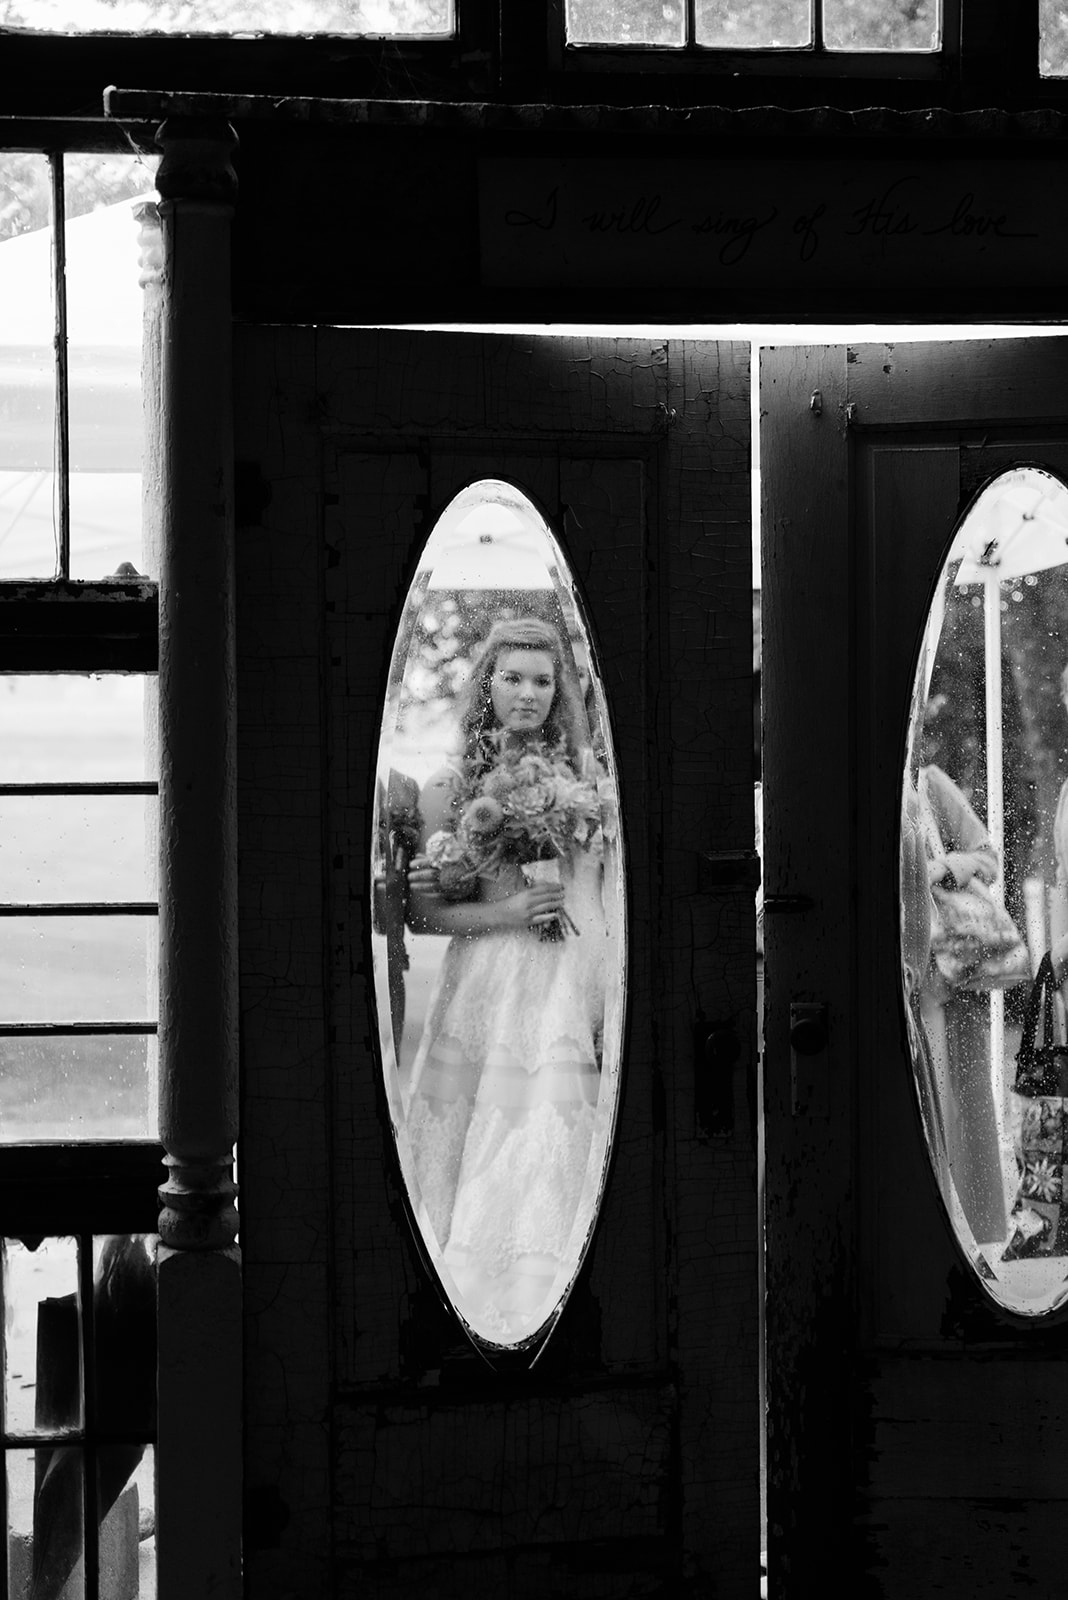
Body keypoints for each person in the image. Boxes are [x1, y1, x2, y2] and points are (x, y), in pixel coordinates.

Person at [403, 615, 612, 1341]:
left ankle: (562, 1292)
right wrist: (515, 910)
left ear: (561, 693)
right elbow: (424, 917)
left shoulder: (584, 782)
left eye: (543, 681)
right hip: (489, 985)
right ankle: (479, 1296)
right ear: (488, 683)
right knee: (489, 1131)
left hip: (563, 980)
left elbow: (598, 892)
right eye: (513, 678)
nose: (528, 694)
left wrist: (598, 981)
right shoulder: (454, 784)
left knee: (553, 1132)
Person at [916, 760, 1008, 1246]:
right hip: (912, 977)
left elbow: (988, 856)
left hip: (958, 970)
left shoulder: (929, 784)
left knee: (968, 1100)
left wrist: (941, 869)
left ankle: (982, 1236)